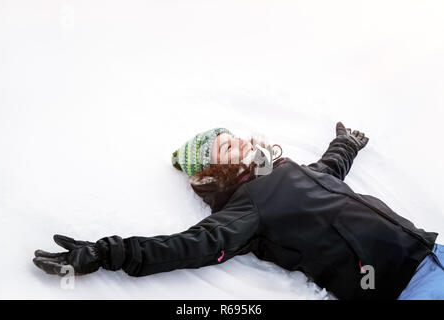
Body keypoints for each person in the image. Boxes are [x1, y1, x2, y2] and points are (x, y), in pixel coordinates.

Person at [33, 122, 444, 300]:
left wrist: (346, 145)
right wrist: (107, 253)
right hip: (403, 286)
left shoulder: (291, 172)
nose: (243, 145)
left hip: (432, 251)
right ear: (213, 171)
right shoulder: (247, 209)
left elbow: (329, 171)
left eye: (236, 138)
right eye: (228, 148)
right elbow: (190, 245)